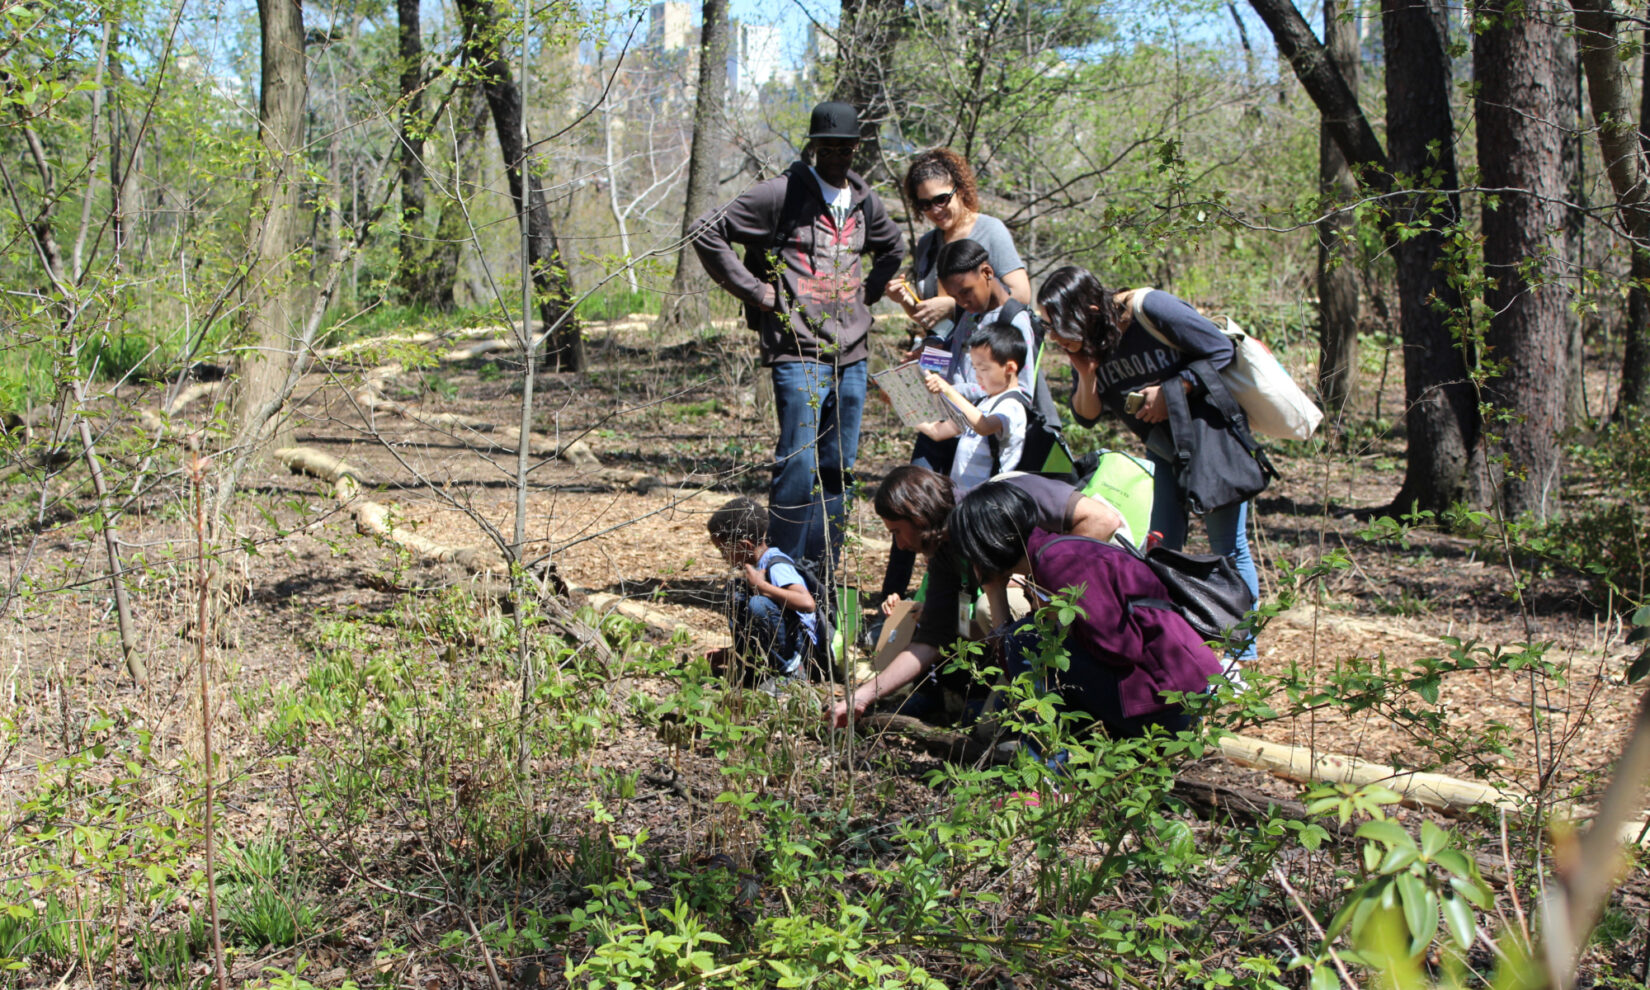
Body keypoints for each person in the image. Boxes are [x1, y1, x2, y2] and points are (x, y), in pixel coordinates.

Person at [692, 101, 905, 572]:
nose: (837, 154)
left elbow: (892, 247)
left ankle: (820, 572)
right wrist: (760, 293)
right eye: (827, 146)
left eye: (845, 146)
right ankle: (782, 570)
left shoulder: (865, 200)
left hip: (850, 355)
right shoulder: (780, 194)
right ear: (813, 146)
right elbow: (706, 231)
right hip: (798, 352)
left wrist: (867, 292)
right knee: (798, 466)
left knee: (837, 469)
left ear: (856, 148)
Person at [1037, 267, 1260, 662]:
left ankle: (1243, 656)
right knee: (1162, 547)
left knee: (1228, 546)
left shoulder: (1148, 308)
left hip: (1209, 438)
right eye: (1048, 326)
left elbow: (1221, 349)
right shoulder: (1089, 344)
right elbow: (1087, 416)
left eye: (1057, 324)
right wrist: (1086, 372)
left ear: (1089, 309)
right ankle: (1173, 647)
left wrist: (1173, 392)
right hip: (1165, 450)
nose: (1053, 335)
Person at [829, 465, 1127, 727]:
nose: (901, 545)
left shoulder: (1005, 497)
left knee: (985, 608)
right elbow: (931, 640)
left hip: (1106, 598)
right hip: (1032, 626)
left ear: (916, 513)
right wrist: (863, 696)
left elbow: (1104, 521)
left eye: (896, 531)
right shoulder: (945, 551)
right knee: (990, 728)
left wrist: (1045, 580)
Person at [945, 481, 1223, 739]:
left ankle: (1049, 770)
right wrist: (995, 590)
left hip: (1167, 704)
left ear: (985, 545)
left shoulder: (1059, 562)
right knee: (1025, 640)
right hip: (1170, 698)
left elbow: (1120, 647)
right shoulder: (1049, 556)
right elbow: (1013, 664)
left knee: (1023, 640)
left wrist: (1062, 632)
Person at [865, 239, 1042, 640]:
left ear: (987, 273)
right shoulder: (966, 316)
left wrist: (948, 389)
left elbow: (1007, 402)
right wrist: (907, 397)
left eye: (966, 291)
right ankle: (950, 638)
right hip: (958, 443)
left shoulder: (1016, 322)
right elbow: (950, 366)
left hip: (990, 483)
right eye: (954, 295)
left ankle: (988, 644)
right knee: (948, 558)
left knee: (985, 576)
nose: (962, 300)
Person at [886, 148, 1031, 334]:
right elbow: (933, 320)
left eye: (942, 199)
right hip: (944, 357)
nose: (935, 210)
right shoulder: (927, 244)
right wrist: (904, 299)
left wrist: (953, 305)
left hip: (986, 353)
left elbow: (1021, 295)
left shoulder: (990, 230)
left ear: (960, 190)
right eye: (925, 204)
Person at [706, 497, 818, 686]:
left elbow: (807, 603)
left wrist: (763, 587)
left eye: (724, 550)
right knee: (735, 593)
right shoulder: (757, 567)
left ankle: (788, 674)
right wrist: (731, 653)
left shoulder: (776, 564)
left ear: (745, 546)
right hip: (783, 642)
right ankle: (749, 665)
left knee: (759, 605)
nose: (724, 557)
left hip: (801, 649)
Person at [917, 321, 1028, 494]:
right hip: (964, 498)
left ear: (1010, 368)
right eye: (975, 368)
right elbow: (937, 432)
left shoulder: (1012, 405)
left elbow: (984, 426)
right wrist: (902, 403)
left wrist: (947, 389)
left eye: (983, 369)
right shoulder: (982, 403)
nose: (977, 376)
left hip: (989, 502)